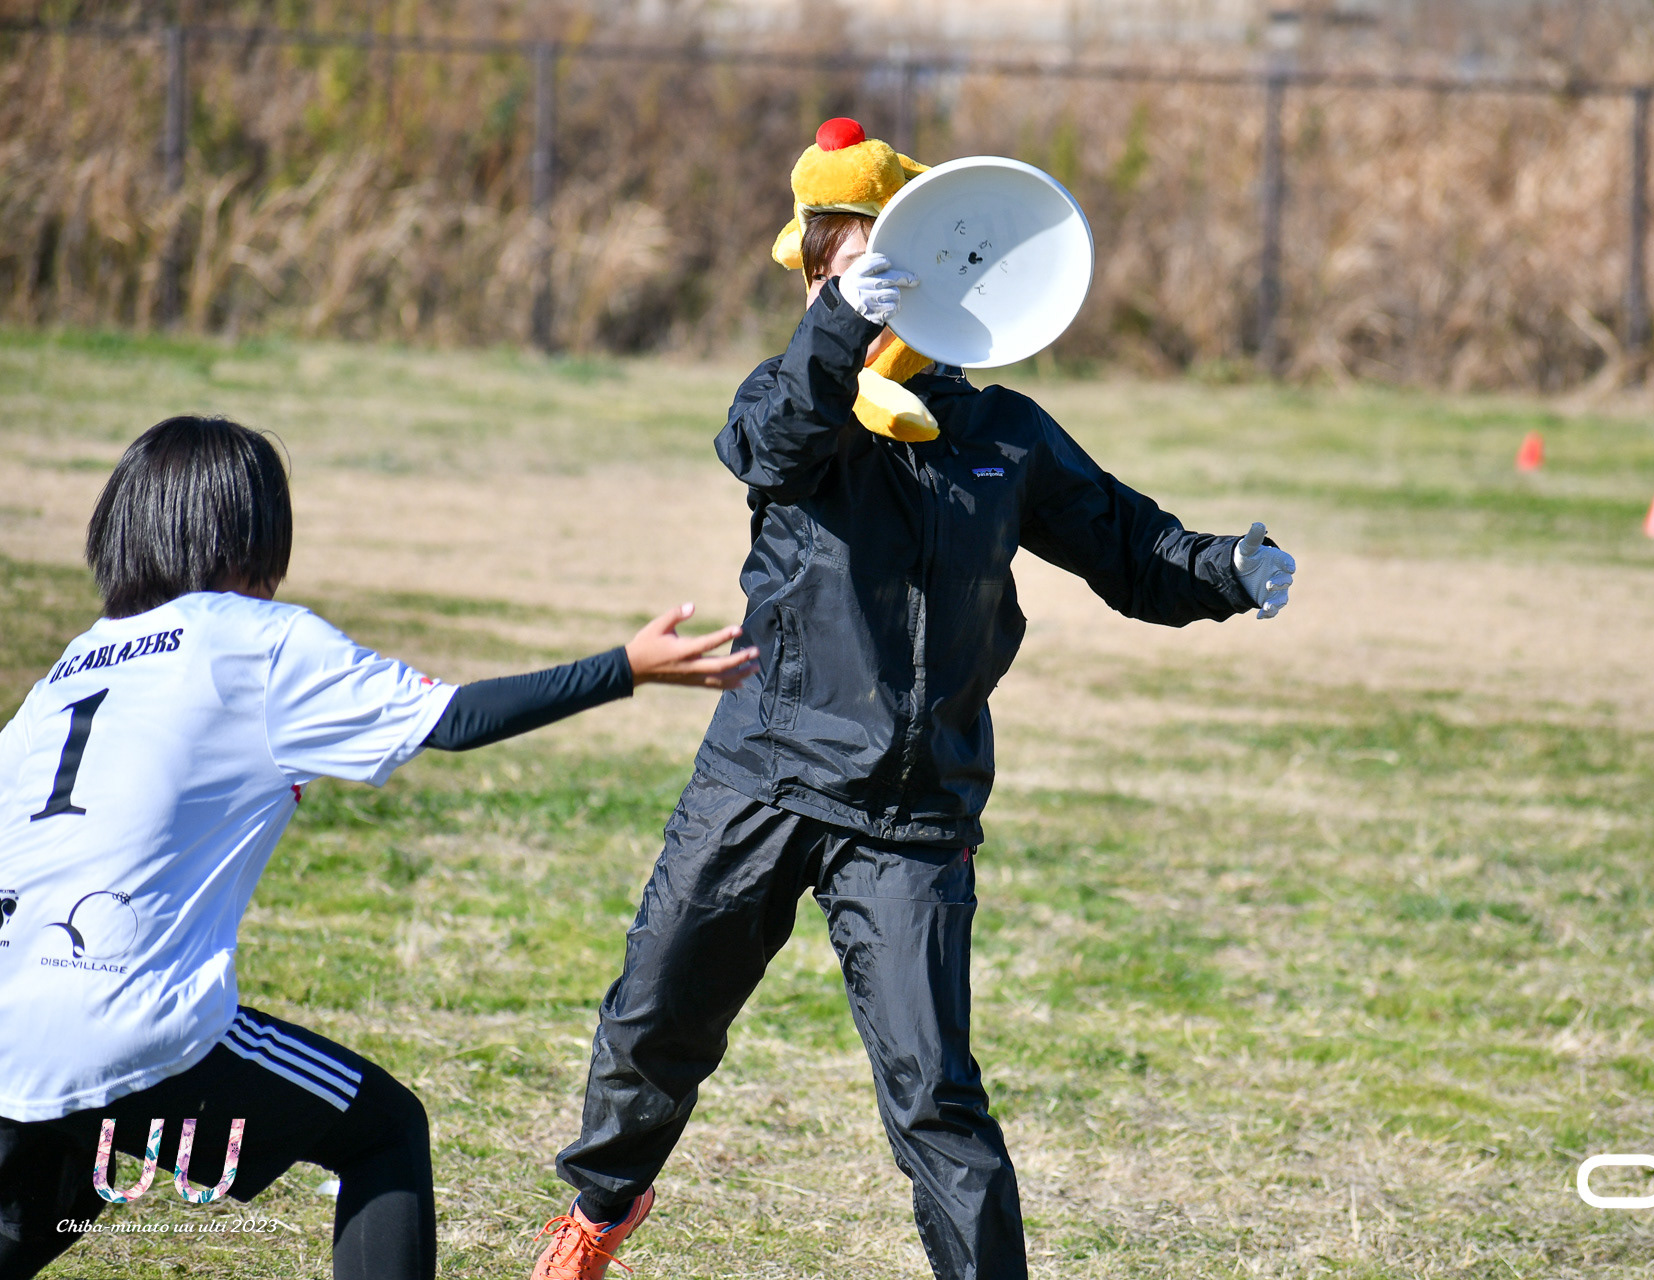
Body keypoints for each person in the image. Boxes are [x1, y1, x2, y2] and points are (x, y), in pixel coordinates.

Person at [530, 119, 1296, 1280]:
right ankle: (599, 1208)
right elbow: (767, 444)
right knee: (655, 1016)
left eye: (869, 267)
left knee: (936, 1095)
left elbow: (1130, 546)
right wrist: (840, 331)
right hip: (765, 768)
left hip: (915, 813)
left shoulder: (1001, 435)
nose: (842, 288)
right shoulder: (798, 404)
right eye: (828, 271)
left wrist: (1228, 567)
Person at [0, 416, 758, 1280]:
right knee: (381, 1131)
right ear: (252, 530)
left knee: (51, 1194)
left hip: (10, 1020)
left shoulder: (73, 667)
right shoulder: (255, 641)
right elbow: (455, 719)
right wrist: (625, 667)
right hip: (128, 1023)